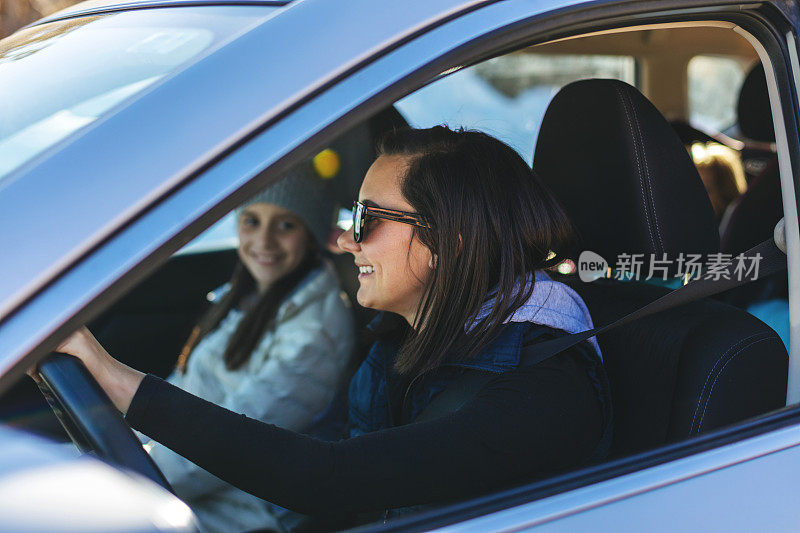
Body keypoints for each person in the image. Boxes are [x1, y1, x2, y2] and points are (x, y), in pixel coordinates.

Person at [52, 126, 612, 528]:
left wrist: (117, 383)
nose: (346, 241)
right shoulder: (407, 342)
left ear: (450, 239)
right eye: (351, 218)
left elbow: (332, 479)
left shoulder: (542, 390)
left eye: (368, 220)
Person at [140, 162, 356, 533]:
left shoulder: (315, 332)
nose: (264, 241)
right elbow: (183, 391)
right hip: (191, 475)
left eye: (286, 225)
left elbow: (233, 444)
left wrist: (130, 475)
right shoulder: (248, 294)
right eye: (251, 221)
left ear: (312, 233)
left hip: (246, 511)